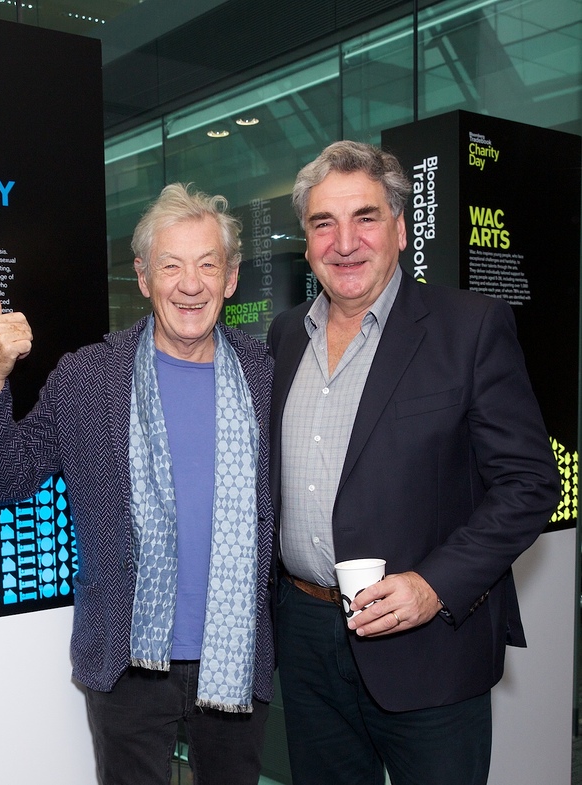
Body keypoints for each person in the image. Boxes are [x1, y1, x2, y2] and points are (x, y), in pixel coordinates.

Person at [268, 140, 560, 785]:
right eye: (324, 223)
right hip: (308, 638)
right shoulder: (286, 336)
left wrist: (433, 587)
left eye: (365, 217)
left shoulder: (470, 327)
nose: (345, 242)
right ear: (307, 239)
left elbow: (531, 483)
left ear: (400, 228)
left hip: (428, 646)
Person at [0, 183, 275, 785]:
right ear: (143, 276)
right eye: (171, 265)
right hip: (125, 660)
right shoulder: (89, 376)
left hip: (236, 657)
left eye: (208, 265)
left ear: (231, 278)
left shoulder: (267, 375)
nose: (191, 284)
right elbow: (5, 480)